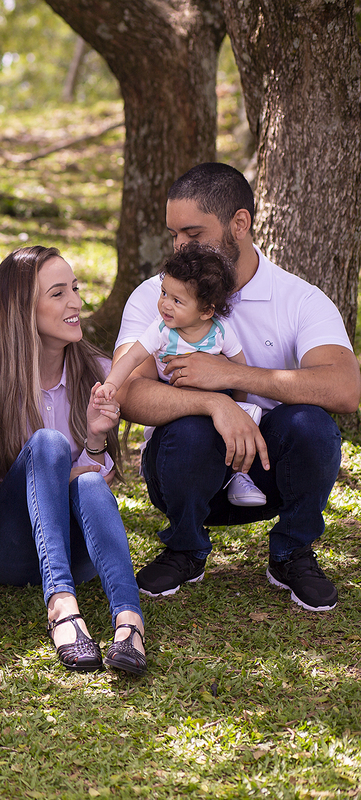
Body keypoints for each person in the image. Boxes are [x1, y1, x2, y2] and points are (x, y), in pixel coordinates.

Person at [114, 162, 361, 611]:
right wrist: (212, 403)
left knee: (310, 424)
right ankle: (185, 548)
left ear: (240, 224)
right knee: (190, 427)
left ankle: (292, 553)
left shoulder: (300, 298)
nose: (179, 247)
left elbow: (344, 388)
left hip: (268, 475)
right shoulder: (158, 295)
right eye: (174, 235)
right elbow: (127, 390)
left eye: (192, 233)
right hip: (183, 469)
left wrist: (230, 376)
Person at [0, 246, 145, 675]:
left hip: (76, 550)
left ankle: (129, 621)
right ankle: (61, 606)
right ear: (22, 309)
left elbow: (96, 478)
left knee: (87, 484)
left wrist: (97, 439)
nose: (76, 303)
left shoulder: (97, 373)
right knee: (48, 444)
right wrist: (54, 468)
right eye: (59, 293)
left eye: (76, 289)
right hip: (3, 546)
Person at [99, 243, 265, 506]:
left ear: (206, 311)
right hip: (178, 403)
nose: (165, 305)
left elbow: (238, 370)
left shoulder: (221, 332)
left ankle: (238, 476)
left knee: (233, 434)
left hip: (218, 393)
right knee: (190, 434)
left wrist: (237, 404)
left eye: (177, 301)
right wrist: (111, 383)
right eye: (164, 293)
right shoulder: (161, 330)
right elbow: (132, 357)